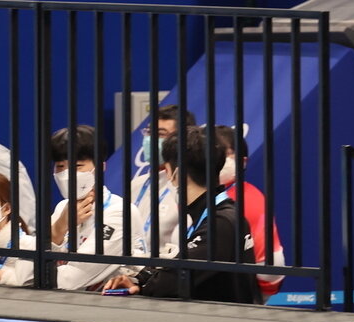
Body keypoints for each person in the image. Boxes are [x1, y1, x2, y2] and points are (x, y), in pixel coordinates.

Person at [102, 126, 262, 304]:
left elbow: (177, 278)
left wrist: (143, 285)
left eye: (167, 170)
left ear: (178, 173)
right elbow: (181, 270)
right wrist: (142, 279)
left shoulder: (220, 222)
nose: (167, 177)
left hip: (223, 319)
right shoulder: (218, 213)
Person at [47, 125, 129, 292]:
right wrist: (59, 228)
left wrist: (17, 275)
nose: (67, 174)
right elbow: (33, 259)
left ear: (101, 167)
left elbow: (70, 279)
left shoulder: (120, 212)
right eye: (60, 166)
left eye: (77, 166)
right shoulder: (62, 208)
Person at [214, 126, 287, 298]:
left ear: (243, 161)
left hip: (237, 294)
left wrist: (252, 296)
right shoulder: (201, 193)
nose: (217, 159)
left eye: (225, 153)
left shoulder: (248, 199)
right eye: (212, 152)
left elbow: (271, 268)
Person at [129, 105, 196, 258]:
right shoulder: (136, 184)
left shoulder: (191, 187)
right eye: (148, 132)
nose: (150, 140)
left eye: (160, 134)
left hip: (167, 268)